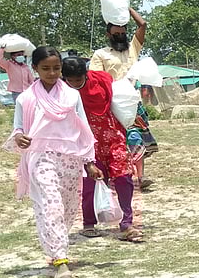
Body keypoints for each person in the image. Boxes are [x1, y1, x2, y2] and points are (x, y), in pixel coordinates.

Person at [5, 47, 102, 278]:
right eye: (45, 68)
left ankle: (56, 245)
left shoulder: (71, 96)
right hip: (40, 157)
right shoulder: (25, 98)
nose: (51, 73)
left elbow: (83, 128)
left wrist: (89, 161)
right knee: (51, 205)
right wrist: (19, 137)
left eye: (56, 68)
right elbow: (18, 128)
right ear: (35, 68)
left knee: (68, 209)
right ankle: (60, 261)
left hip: (70, 159)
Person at [61, 57, 143, 243]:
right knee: (91, 181)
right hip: (84, 142)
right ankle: (89, 222)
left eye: (78, 79)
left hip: (112, 135)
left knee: (124, 177)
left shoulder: (101, 80)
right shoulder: (62, 92)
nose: (75, 84)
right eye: (70, 80)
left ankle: (127, 223)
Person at [90, 7, 157, 186]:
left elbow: (143, 24)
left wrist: (124, 6)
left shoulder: (133, 48)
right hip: (112, 103)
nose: (120, 36)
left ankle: (139, 178)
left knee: (135, 138)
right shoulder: (101, 54)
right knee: (116, 141)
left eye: (122, 32)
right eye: (116, 33)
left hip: (133, 102)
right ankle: (117, 177)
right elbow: (96, 79)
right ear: (108, 35)